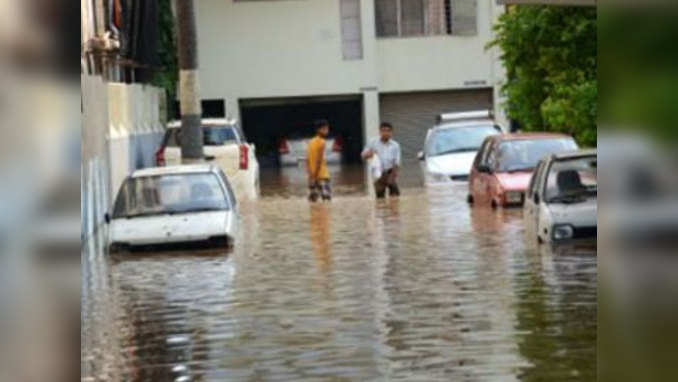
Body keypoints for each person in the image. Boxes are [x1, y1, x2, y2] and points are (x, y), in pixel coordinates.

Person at [362, 122, 401, 199]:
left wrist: (393, 176)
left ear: (391, 132)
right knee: (380, 199)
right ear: (380, 132)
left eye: (388, 131)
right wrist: (369, 154)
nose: (386, 133)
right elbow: (363, 155)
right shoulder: (372, 142)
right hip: (378, 174)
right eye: (383, 130)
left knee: (395, 197)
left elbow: (397, 162)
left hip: (390, 172)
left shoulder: (395, 145)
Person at [307, 119, 332, 202]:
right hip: (322, 175)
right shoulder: (322, 142)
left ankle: (316, 215)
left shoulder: (310, 142)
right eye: (325, 129)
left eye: (327, 128)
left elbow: (308, 160)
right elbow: (319, 160)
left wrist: (311, 176)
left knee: (313, 201)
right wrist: (315, 175)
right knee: (327, 201)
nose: (327, 131)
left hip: (312, 176)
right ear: (319, 130)